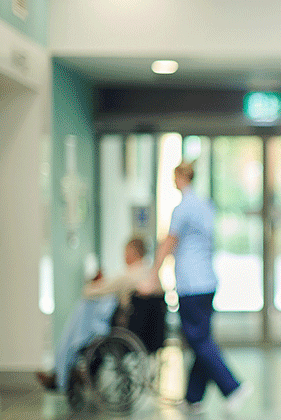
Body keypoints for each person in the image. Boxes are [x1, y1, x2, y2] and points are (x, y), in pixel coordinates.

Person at [151, 161, 252, 414]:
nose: (173, 182)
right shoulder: (206, 205)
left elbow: (168, 244)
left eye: (175, 177)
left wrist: (153, 274)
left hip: (191, 286)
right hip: (207, 282)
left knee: (199, 340)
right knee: (200, 339)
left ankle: (233, 387)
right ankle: (193, 398)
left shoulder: (182, 208)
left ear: (181, 177)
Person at [36, 238, 161, 391]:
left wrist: (94, 283)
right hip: (148, 334)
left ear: (133, 253)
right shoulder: (150, 273)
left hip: (125, 330)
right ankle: (65, 371)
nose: (124, 257)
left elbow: (89, 291)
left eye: (125, 252)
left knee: (83, 310)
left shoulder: (131, 275)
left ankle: (61, 373)